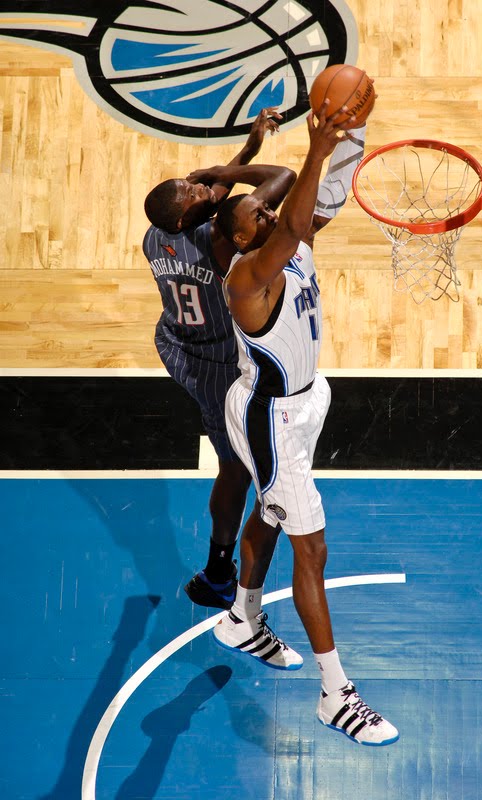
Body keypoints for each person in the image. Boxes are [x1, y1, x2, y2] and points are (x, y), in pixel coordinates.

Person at [212, 101, 399, 747]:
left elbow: (321, 197)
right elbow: (295, 211)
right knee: (311, 549)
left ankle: (240, 618)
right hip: (271, 417)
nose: (266, 212)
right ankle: (335, 695)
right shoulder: (245, 276)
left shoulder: (286, 244)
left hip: (304, 400)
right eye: (254, 215)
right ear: (238, 238)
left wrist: (351, 132)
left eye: (266, 210)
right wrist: (315, 149)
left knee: (269, 511)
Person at [143, 109, 296, 611]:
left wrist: (246, 150)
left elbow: (214, 204)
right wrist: (231, 172)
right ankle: (217, 572)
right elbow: (279, 182)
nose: (199, 185)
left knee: (239, 459)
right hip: (213, 362)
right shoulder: (218, 242)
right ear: (195, 217)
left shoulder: (156, 236)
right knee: (234, 468)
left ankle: (221, 563)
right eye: (193, 192)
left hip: (178, 341)